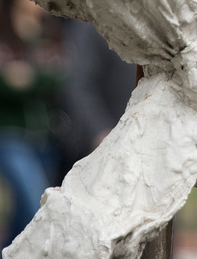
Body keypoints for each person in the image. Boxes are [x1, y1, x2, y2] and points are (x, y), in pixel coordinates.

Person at [0, 0, 66, 259]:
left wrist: (27, 76)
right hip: (7, 137)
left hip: (43, 139)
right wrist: (33, 76)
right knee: (35, 212)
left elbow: (59, 78)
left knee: (18, 220)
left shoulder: (49, 35)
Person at [52, 18, 135, 187]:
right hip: (103, 154)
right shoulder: (96, 24)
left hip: (148, 151)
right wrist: (99, 132)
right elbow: (77, 84)